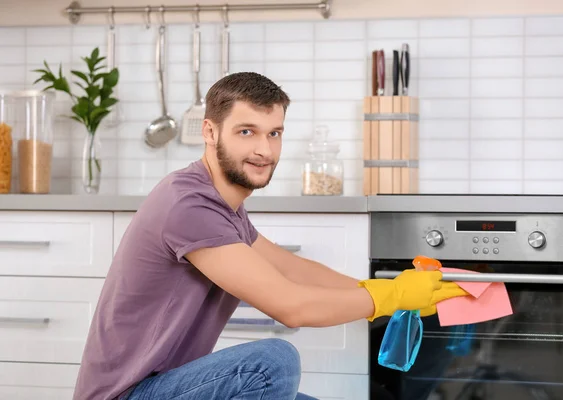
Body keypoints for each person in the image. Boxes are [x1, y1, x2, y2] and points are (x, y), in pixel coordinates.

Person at [73, 72, 468, 400]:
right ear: (209, 132)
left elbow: (290, 269)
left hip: (170, 387)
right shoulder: (188, 205)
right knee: (272, 362)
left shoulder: (221, 205)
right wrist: (390, 297)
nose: (264, 149)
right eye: (247, 131)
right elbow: (290, 306)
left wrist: (390, 293)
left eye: (274, 133)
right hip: (130, 394)